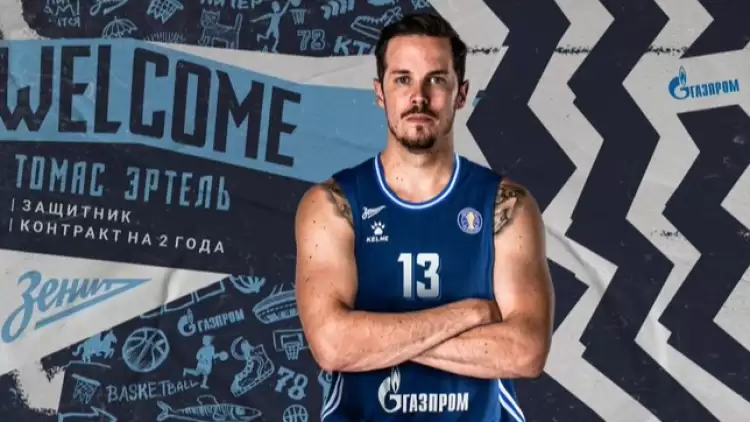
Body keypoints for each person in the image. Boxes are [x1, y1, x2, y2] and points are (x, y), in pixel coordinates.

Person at [294, 12, 554, 422]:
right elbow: (332, 346)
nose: (418, 97)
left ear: (461, 93)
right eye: (403, 79)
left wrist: (374, 339)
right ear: (380, 93)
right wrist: (472, 314)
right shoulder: (332, 205)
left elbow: (526, 352)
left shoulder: (505, 206)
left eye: (436, 80)